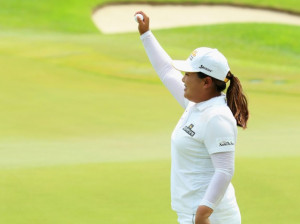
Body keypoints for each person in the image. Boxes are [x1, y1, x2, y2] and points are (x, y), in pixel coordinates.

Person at [135, 11, 249, 224]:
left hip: (211, 217)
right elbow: (166, 70)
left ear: (206, 82)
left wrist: (203, 213)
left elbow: (224, 170)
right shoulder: (196, 103)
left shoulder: (216, 117)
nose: (183, 78)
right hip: (191, 214)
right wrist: (146, 35)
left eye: (188, 74)